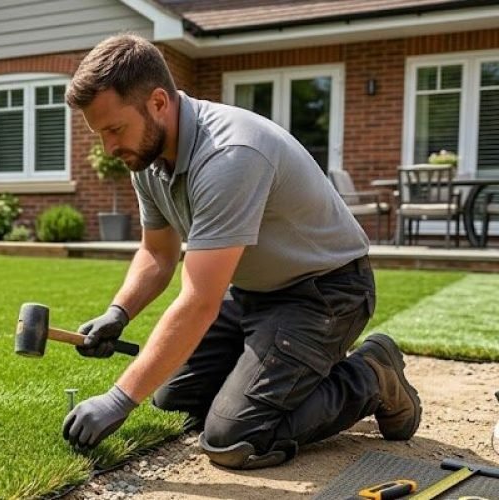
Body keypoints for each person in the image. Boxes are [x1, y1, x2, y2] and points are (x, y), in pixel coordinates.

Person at [59, 34, 421, 470]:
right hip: (254, 292)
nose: (110, 148)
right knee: (176, 397)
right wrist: (119, 312)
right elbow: (157, 252)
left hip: (325, 293)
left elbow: (199, 301)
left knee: (234, 437)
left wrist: (118, 400)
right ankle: (271, 375)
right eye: (101, 134)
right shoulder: (148, 157)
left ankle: (371, 375)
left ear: (158, 103)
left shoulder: (229, 155)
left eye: (114, 129)